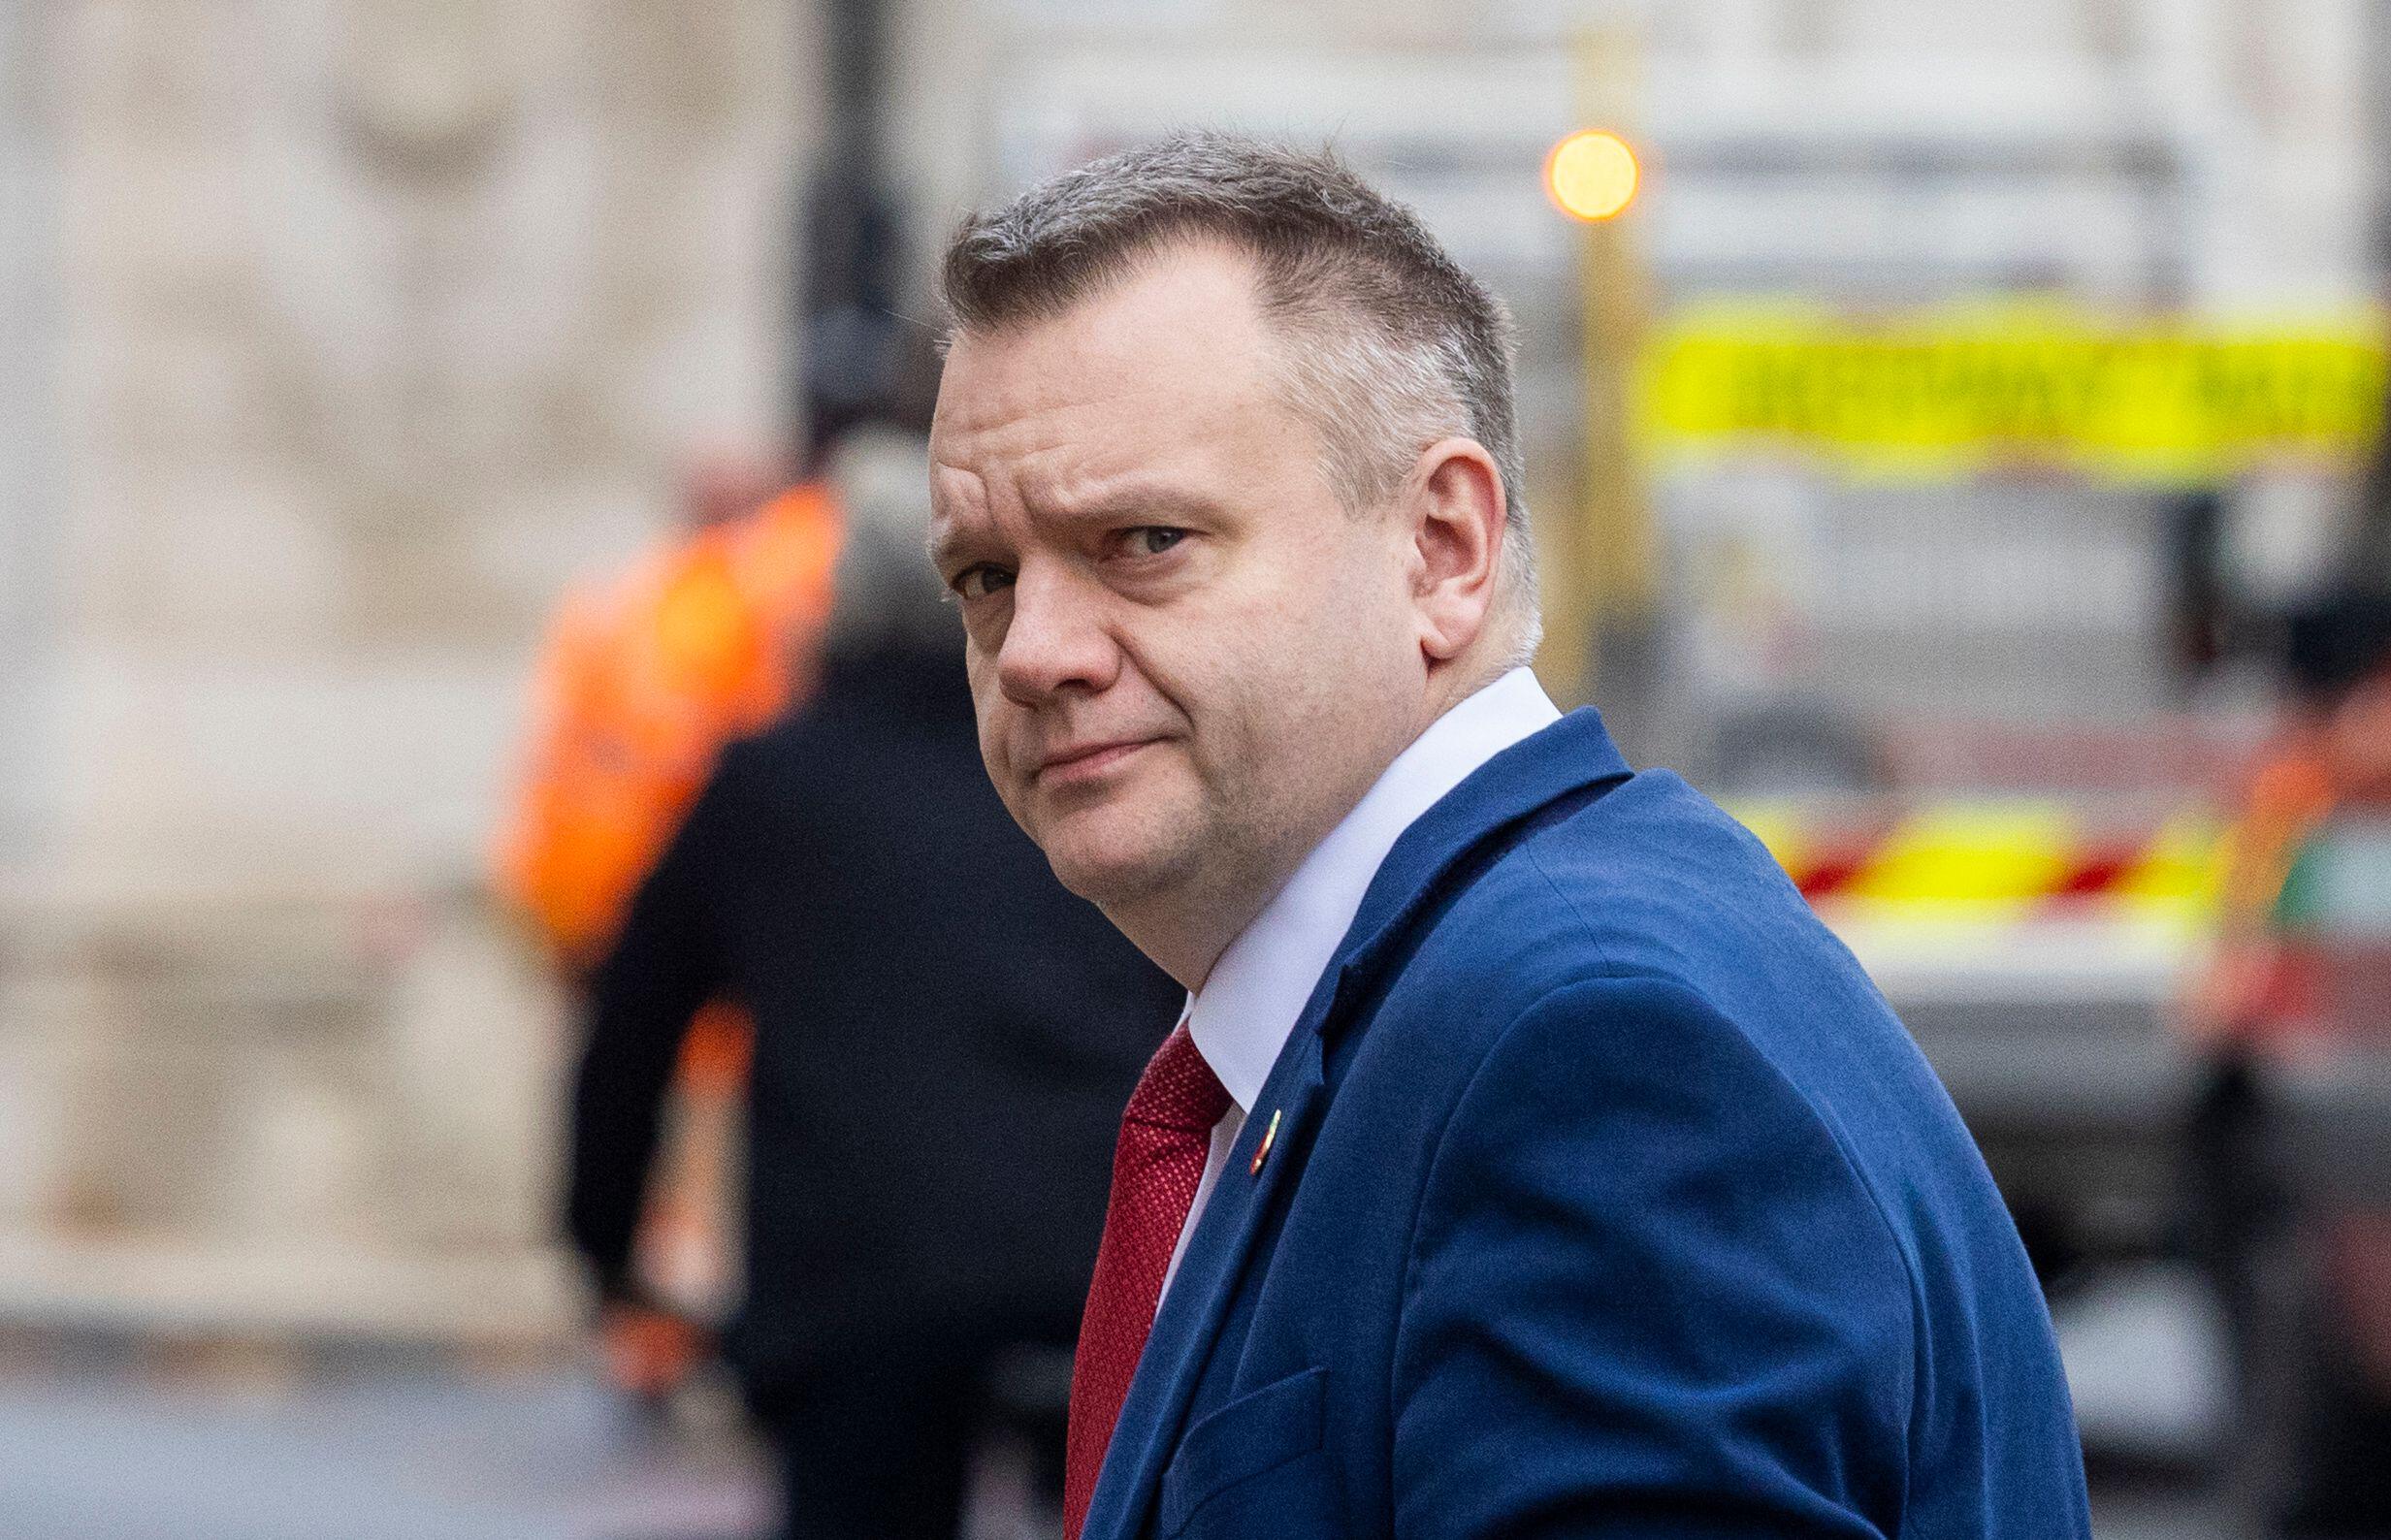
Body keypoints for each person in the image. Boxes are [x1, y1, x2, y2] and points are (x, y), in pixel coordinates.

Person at [925, 133, 2091, 1540]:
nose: (1034, 650)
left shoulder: (1593, 1049)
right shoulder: (1444, 999)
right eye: (986, 577)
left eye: (1144, 542)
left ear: (1442, 550)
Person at [564, 428, 1181, 1540]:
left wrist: (603, 1245)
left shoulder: (768, 783)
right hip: (1079, 1259)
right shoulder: (1084, 764)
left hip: (855, 1287)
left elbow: (630, 1027)